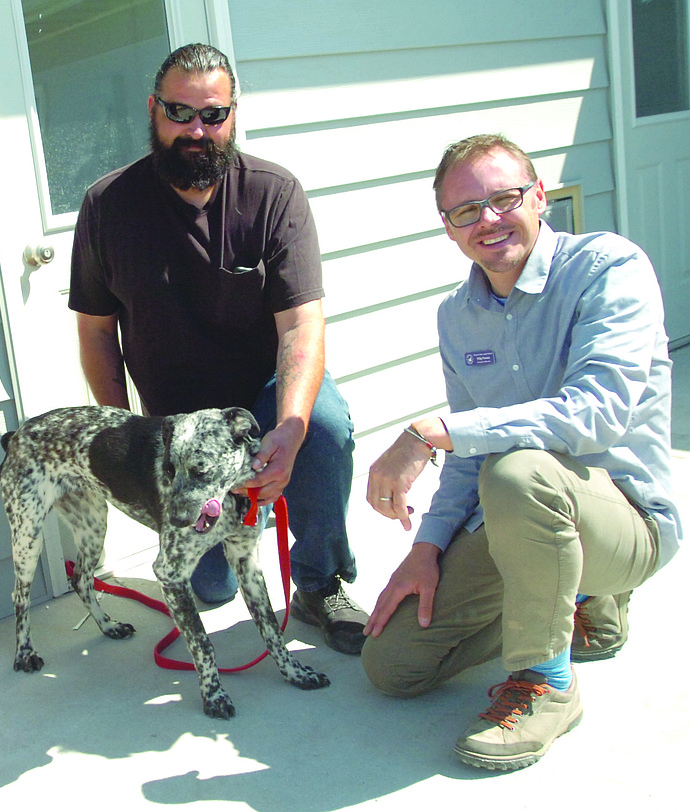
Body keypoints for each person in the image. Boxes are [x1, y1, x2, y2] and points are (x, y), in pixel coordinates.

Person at [361, 133, 681, 770]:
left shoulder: (609, 268)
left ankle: (547, 682)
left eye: (504, 198)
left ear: (540, 197)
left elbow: (595, 416)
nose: (487, 220)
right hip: (531, 514)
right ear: (447, 228)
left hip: (627, 522)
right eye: (464, 211)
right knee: (393, 666)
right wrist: (427, 550)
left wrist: (430, 432)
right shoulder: (458, 316)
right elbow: (468, 458)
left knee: (519, 472)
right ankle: (585, 607)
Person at [69, 43, 366, 656]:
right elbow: (97, 331)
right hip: (174, 422)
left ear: (232, 115)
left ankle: (319, 582)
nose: (195, 130)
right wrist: (124, 428)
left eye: (212, 115)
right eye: (179, 113)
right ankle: (225, 552)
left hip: (260, 392)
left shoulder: (275, 194)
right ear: (153, 111)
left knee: (326, 428)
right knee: (209, 587)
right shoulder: (107, 206)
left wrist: (289, 425)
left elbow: (301, 326)